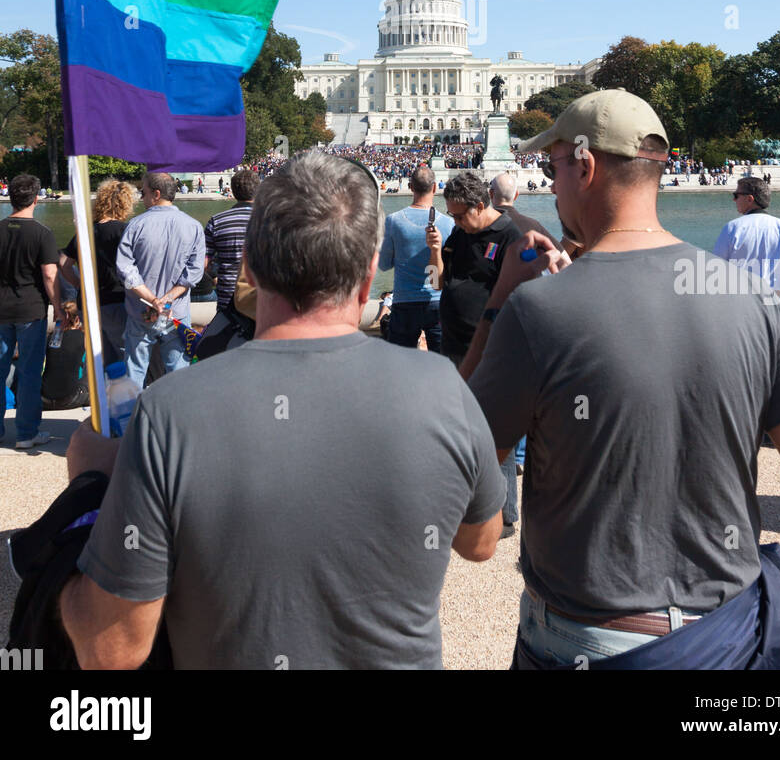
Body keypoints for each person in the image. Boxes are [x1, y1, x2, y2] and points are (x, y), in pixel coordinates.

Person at [59, 150, 504, 670]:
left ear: (248, 265)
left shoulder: (169, 411)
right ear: (368, 274)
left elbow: (110, 649)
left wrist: (86, 494)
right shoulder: (441, 387)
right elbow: (481, 542)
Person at [465, 89, 780, 670]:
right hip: (729, 635)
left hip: (588, 637)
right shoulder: (751, 298)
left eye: (552, 167)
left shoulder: (537, 311)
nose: (550, 184)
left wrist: (500, 303)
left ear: (584, 165)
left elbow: (471, 530)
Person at [427, 170, 522, 536]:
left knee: (496, 431)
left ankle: (506, 513)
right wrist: (435, 250)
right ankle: (473, 507)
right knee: (463, 430)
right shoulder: (458, 234)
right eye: (450, 214)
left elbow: (521, 293)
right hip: (453, 345)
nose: (455, 221)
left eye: (459, 214)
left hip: (490, 348)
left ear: (480, 205)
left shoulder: (510, 236)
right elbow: (436, 280)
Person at [116, 171, 205, 390]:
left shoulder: (135, 225)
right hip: (176, 312)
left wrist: (152, 299)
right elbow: (194, 272)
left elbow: (125, 268)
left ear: (156, 194)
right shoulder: (193, 226)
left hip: (141, 311)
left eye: (143, 192)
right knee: (179, 374)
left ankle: (134, 422)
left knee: (134, 374)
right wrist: (167, 298)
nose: (141, 197)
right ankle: (179, 421)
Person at [0, 173, 62, 449]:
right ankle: (26, 433)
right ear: (37, 198)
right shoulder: (42, 233)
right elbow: (50, 275)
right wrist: (59, 307)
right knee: (29, 373)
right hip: (31, 309)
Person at [376, 165, 453, 352]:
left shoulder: (393, 220)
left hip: (404, 301)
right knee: (441, 363)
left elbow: (384, 264)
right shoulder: (448, 223)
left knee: (401, 364)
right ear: (435, 188)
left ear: (410, 186)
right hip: (437, 301)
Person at [59, 179, 136, 365]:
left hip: (89, 302)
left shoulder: (85, 232)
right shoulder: (126, 231)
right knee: (127, 357)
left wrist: (78, 283)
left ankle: (106, 393)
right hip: (118, 300)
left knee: (101, 358)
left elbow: (64, 263)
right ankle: (127, 393)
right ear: (125, 203)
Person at [712, 176, 780, 295]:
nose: (734, 200)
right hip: (774, 299)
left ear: (749, 199)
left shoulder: (733, 228)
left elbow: (717, 267)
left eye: (736, 195)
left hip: (741, 299)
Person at [203, 169, 260, 312]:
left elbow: (204, 263)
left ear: (233, 192)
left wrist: (216, 276)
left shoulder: (217, 221)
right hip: (261, 297)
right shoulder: (272, 220)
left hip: (227, 295)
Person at [488, 172, 561, 248]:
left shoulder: (480, 225)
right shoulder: (533, 226)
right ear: (516, 195)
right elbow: (562, 255)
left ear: (491, 194)